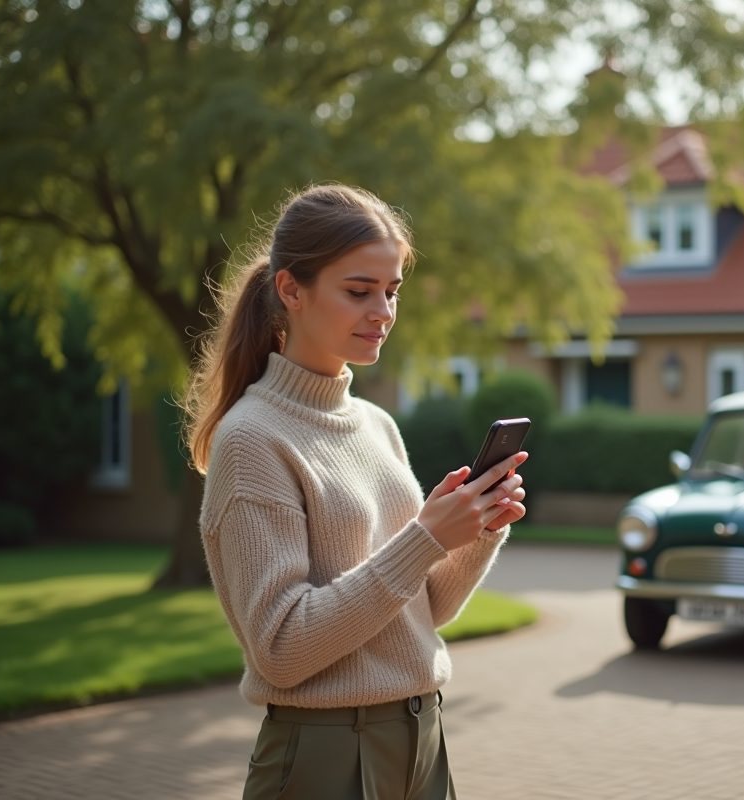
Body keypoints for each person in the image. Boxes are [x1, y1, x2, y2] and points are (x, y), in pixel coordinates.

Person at [183, 184, 526, 800]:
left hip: (422, 739)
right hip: (326, 753)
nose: (384, 312)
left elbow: (417, 614)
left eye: (391, 292)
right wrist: (423, 539)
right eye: (358, 291)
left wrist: (475, 530)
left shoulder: (377, 426)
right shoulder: (253, 441)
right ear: (291, 290)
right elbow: (281, 650)